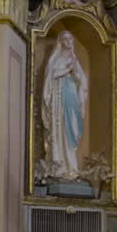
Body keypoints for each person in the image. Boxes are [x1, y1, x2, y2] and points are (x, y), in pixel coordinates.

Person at [40, 30, 88, 180]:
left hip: (71, 96)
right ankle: (59, 165)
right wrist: (68, 69)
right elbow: (51, 76)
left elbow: (82, 80)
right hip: (59, 101)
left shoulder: (75, 59)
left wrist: (76, 75)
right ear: (60, 42)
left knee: (71, 128)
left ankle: (71, 167)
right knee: (60, 129)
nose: (69, 42)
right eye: (65, 39)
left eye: (70, 39)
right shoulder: (56, 59)